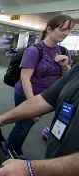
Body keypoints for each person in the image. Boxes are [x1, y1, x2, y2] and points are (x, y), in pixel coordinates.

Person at [0, 62, 79, 176]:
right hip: (56, 161)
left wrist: (30, 170)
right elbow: (44, 100)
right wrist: (2, 118)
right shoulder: (77, 70)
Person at [7, 14, 74, 155]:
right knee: (22, 127)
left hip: (45, 97)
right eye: (62, 29)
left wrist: (64, 66)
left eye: (69, 30)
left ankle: (15, 150)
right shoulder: (35, 50)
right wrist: (33, 106)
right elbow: (25, 79)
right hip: (27, 94)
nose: (66, 33)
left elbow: (66, 78)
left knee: (27, 126)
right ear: (49, 29)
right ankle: (9, 153)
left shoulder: (63, 51)